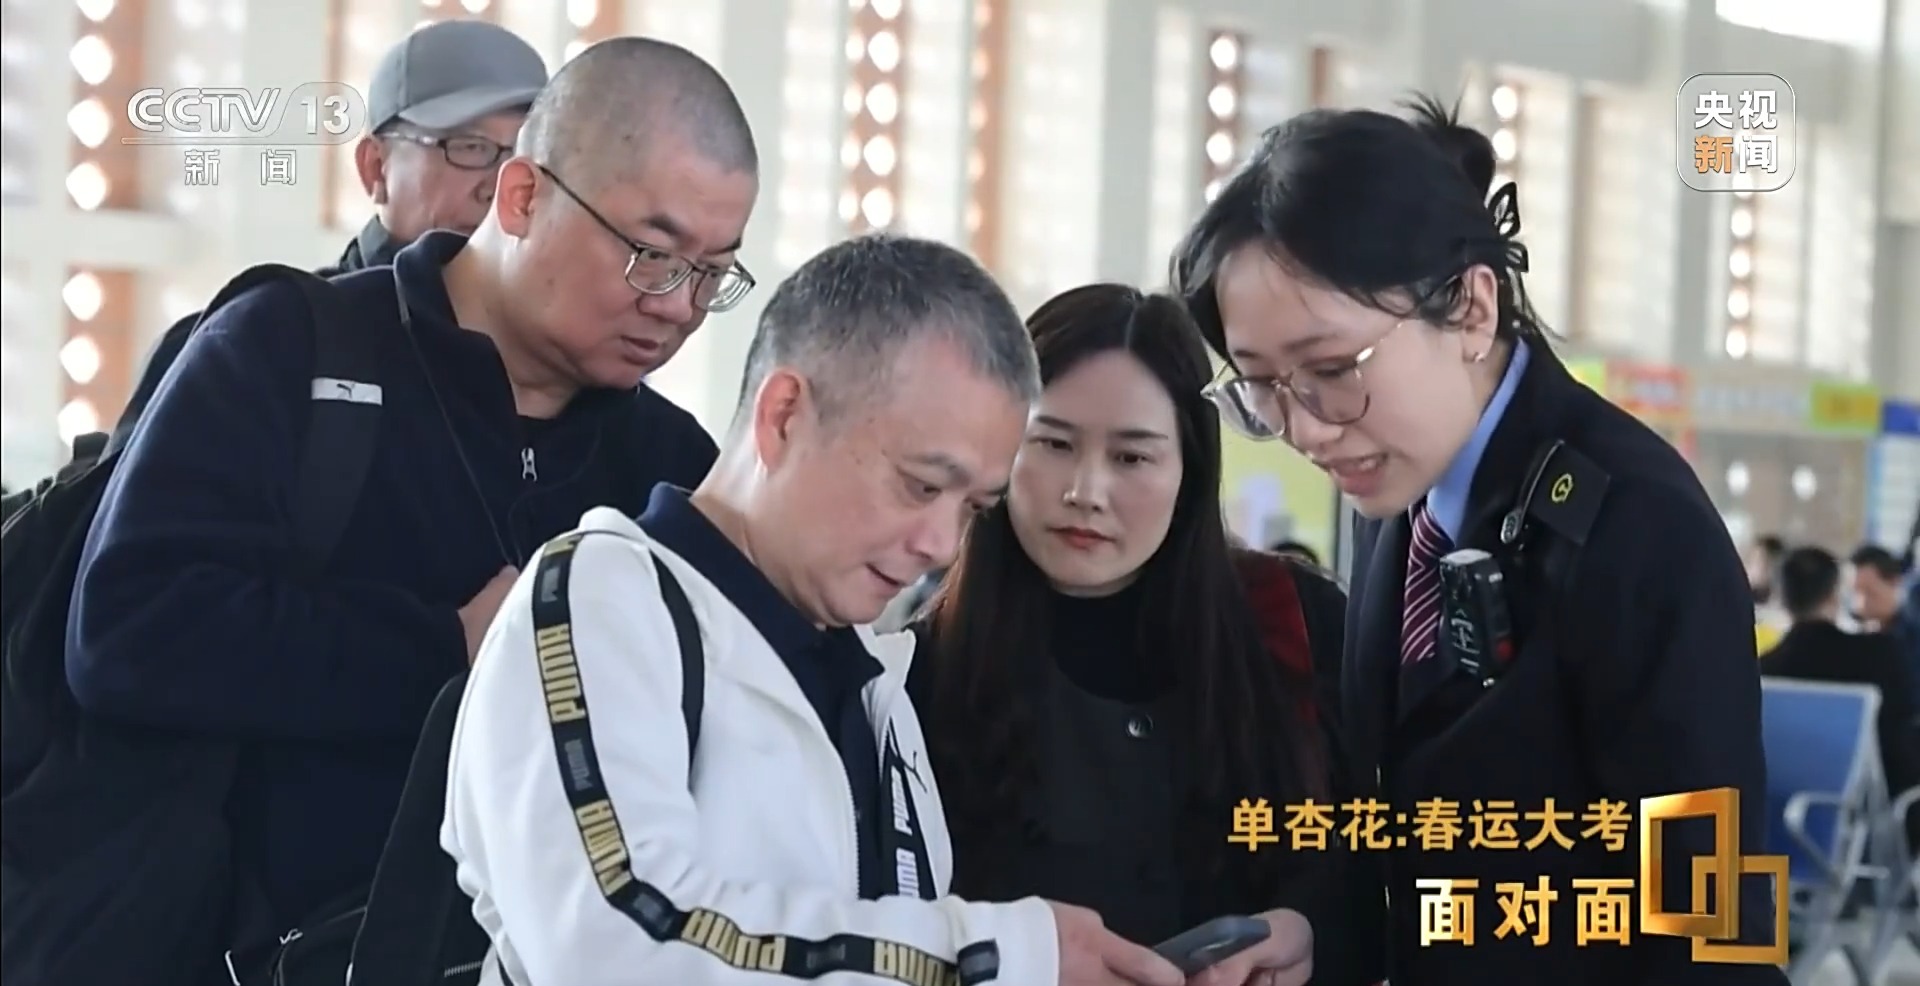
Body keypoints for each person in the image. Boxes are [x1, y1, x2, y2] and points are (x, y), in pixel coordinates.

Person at [65, 37, 753, 939]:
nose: (675, 305)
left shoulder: (672, 467)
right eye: (649, 254)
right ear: (522, 196)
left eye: (712, 273)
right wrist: (448, 646)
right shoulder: (290, 348)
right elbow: (127, 633)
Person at [443, 236, 1188, 986]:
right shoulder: (601, 599)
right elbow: (615, 947)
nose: (940, 544)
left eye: (972, 508)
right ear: (785, 416)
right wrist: (999, 955)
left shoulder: (875, 678)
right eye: (922, 485)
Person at [1171, 96, 1785, 984]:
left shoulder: (1639, 529)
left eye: (1333, 370)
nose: (1306, 430)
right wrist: (1322, 935)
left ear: (1471, 309)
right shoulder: (1399, 494)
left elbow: (1711, 926)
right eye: (1264, 386)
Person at [907, 284, 1367, 986]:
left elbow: (1386, 869)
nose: (1085, 492)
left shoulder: (1295, 624)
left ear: (1190, 468)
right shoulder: (917, 675)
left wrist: (1308, 934)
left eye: (1131, 458)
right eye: (1052, 443)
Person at [123, 20, 551, 428]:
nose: (501, 185)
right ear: (375, 167)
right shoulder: (258, 343)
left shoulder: (568, 359)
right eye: (470, 147)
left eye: (525, 156)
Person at [1761, 547, 1919, 847]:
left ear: (1780, 597)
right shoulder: (1882, 655)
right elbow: (1901, 740)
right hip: (1875, 827)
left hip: (1776, 829)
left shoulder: (1760, 672)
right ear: (1835, 594)